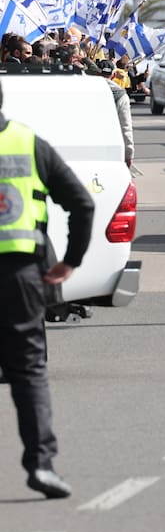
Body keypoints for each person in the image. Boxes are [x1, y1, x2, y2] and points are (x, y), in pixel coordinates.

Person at [0, 78, 94, 499]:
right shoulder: (27, 143)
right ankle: (41, 463)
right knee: (28, 371)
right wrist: (70, 260)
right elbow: (82, 202)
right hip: (19, 275)